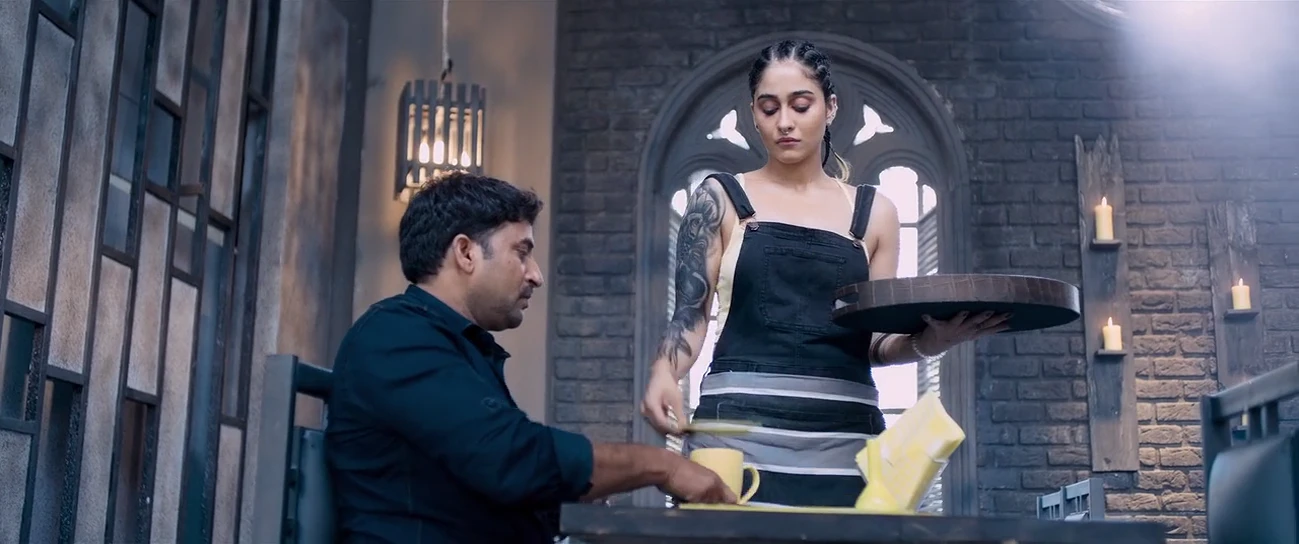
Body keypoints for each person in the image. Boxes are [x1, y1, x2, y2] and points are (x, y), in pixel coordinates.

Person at [640, 40, 1011, 508]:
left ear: (830, 107)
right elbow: (689, 317)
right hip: (736, 438)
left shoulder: (875, 213)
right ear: (754, 114)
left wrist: (927, 343)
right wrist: (663, 372)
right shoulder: (719, 199)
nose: (785, 122)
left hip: (846, 444)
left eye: (801, 106)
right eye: (769, 108)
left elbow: (873, 342)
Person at [326, 171, 736, 544]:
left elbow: (480, 482)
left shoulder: (453, 344)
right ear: (466, 253)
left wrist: (571, 495)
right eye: (521, 252)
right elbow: (511, 460)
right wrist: (662, 466)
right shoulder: (396, 336)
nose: (535, 274)